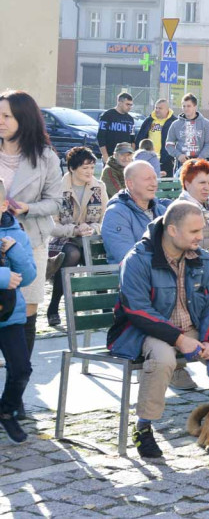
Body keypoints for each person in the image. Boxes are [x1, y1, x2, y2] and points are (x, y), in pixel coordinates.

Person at [107, 202, 209, 459]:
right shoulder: (138, 259)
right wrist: (178, 339)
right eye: (194, 231)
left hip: (193, 330)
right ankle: (143, 427)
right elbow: (137, 309)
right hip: (148, 332)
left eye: (201, 230)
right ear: (172, 230)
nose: (201, 236)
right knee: (163, 359)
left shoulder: (203, 259)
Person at [0, 91, 62, 364]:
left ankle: (18, 381)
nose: (0, 121)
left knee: (27, 306)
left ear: (23, 119)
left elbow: (56, 203)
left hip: (30, 239)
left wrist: (27, 208)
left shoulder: (45, 156)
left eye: (6, 116)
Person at [46, 147, 107, 328]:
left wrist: (92, 228)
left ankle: (105, 305)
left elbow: (106, 219)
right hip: (65, 238)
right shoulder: (57, 188)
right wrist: (74, 230)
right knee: (72, 255)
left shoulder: (99, 186)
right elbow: (52, 225)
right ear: (72, 168)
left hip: (91, 237)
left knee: (99, 253)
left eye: (91, 167)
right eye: (84, 168)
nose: (89, 172)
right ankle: (54, 306)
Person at [0, 178, 38, 443]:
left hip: (8, 315)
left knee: (22, 368)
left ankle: (5, 411)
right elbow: (8, 278)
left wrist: (13, 251)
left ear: (4, 204)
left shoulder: (15, 232)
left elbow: (27, 276)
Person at [101, 161, 169, 265]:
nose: (154, 183)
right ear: (130, 184)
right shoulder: (116, 214)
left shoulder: (162, 210)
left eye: (155, 178)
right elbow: (128, 258)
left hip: (164, 274)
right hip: (133, 278)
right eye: (147, 179)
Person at [176, 159, 209, 252]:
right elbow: (189, 245)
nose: (207, 188)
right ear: (187, 184)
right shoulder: (180, 210)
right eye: (202, 183)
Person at [165, 94, 209, 170]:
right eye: (184, 106)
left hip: (200, 162)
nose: (186, 109)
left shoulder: (206, 123)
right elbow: (169, 144)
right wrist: (178, 155)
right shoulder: (175, 124)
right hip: (182, 163)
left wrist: (199, 158)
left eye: (188, 106)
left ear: (195, 107)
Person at [135, 98, 175, 176]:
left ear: (167, 109)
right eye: (156, 108)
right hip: (149, 159)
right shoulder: (149, 120)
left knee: (166, 185)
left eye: (160, 108)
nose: (157, 110)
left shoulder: (173, 122)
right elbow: (140, 138)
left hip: (166, 160)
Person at [97, 92, 136, 163]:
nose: (129, 107)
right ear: (120, 102)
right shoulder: (107, 115)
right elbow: (100, 137)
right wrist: (105, 156)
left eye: (131, 105)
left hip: (125, 158)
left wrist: (131, 156)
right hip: (111, 156)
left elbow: (132, 139)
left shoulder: (130, 119)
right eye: (127, 104)